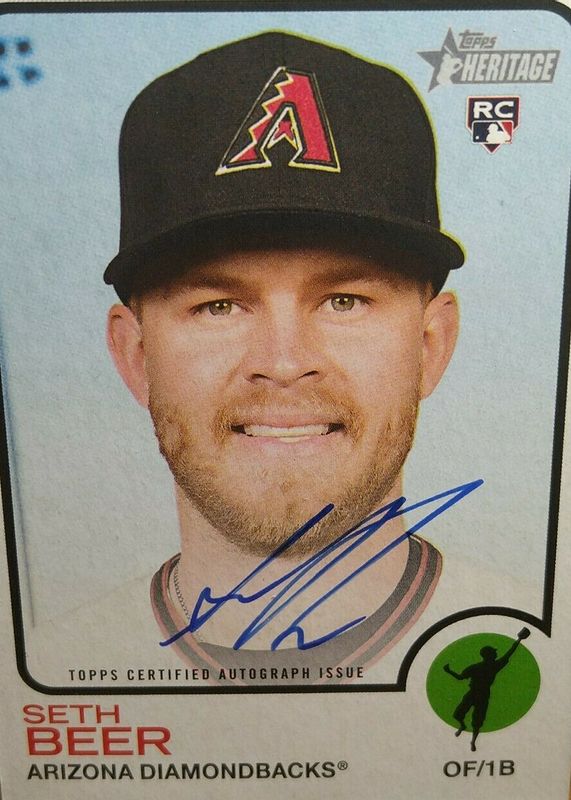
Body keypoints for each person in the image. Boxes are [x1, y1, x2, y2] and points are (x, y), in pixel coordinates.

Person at [102, 30, 466, 685]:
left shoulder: (551, 662)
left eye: (344, 301)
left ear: (430, 345)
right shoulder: (39, 672)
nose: (284, 362)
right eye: (219, 306)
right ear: (135, 356)